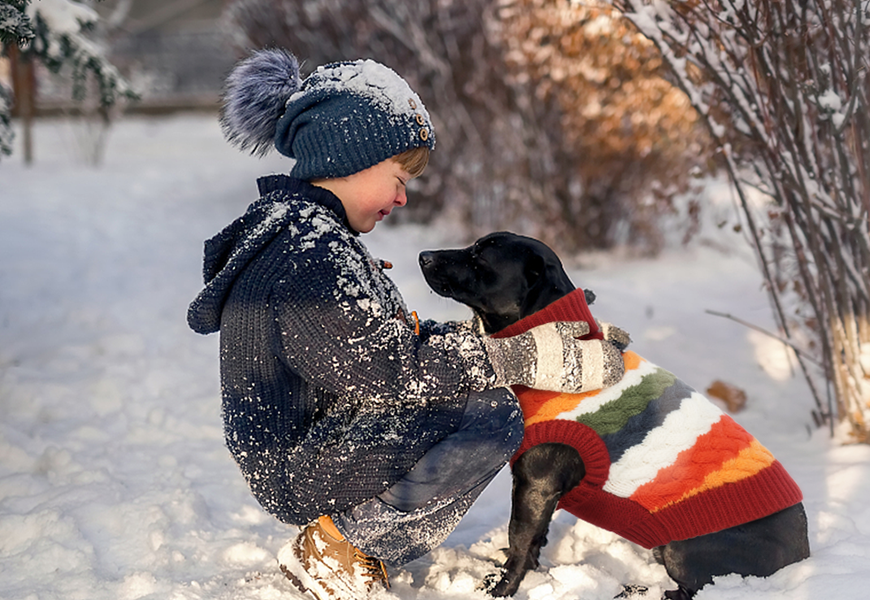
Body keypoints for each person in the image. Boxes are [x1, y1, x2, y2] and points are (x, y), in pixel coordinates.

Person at [187, 49, 627, 600]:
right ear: (346, 158)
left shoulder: (316, 236)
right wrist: (523, 358)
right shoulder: (304, 255)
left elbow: (395, 345)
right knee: (490, 415)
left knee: (473, 395)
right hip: (301, 464)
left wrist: (537, 340)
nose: (402, 196)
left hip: (326, 440)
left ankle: (348, 535)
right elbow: (387, 369)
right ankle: (338, 545)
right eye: (398, 177)